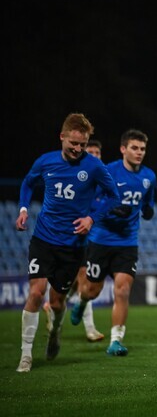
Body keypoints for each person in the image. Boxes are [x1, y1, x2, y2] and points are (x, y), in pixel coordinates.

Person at [15, 113, 121, 372]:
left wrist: (92, 219)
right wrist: (23, 209)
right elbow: (28, 183)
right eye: (73, 143)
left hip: (72, 246)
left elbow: (113, 195)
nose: (78, 149)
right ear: (62, 137)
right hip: (43, 239)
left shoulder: (94, 167)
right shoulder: (46, 161)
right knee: (36, 293)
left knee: (57, 301)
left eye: (82, 145)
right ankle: (26, 355)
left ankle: (55, 332)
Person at [70, 129, 157, 356]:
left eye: (142, 149)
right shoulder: (107, 172)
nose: (139, 153)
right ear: (123, 149)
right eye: (134, 148)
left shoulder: (149, 177)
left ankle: (115, 340)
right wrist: (109, 210)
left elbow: (147, 204)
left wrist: (148, 211)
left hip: (127, 242)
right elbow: (90, 200)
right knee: (92, 290)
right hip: (101, 240)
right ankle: (81, 301)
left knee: (123, 289)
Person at [44, 139, 106, 342]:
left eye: (98, 152)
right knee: (83, 283)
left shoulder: (102, 180)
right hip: (75, 240)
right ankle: (89, 329)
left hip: (92, 240)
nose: (95, 155)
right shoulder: (78, 179)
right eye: (91, 152)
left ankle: (53, 311)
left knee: (78, 285)